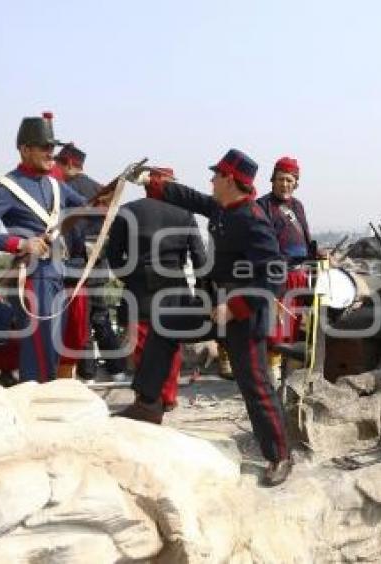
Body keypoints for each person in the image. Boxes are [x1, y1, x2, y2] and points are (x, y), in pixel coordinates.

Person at [116, 148, 292, 487]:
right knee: (165, 325)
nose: (210, 180)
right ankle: (149, 404)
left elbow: (275, 277)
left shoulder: (253, 219)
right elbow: (191, 198)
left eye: (216, 175)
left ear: (230, 180)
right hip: (214, 305)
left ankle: (279, 456)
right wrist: (151, 182)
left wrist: (237, 306)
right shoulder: (224, 208)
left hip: (242, 314)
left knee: (255, 386)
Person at [0, 114, 88, 382]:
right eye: (44, 147)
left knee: (53, 347)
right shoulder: (6, 186)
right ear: (25, 149)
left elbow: (90, 207)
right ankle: (35, 402)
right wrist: (20, 243)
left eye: (52, 148)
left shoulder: (56, 185)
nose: (51, 154)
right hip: (33, 276)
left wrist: (116, 191)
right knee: (38, 349)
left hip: (58, 273)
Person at [106, 168, 206, 411]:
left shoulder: (128, 211)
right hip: (175, 290)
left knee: (141, 347)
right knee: (171, 347)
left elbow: (113, 256)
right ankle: (168, 397)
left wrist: (130, 276)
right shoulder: (185, 213)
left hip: (138, 288)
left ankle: (145, 400)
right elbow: (200, 259)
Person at [54, 143, 124, 379]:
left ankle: (87, 371)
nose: (55, 167)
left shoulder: (62, 189)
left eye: (59, 163)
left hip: (74, 265)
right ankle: (117, 369)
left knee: (80, 320)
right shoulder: (100, 189)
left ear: (70, 164)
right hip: (98, 263)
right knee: (100, 316)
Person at [256, 156, 313, 385]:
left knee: (293, 328)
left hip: (299, 275)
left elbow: (305, 239)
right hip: (276, 276)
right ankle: (271, 379)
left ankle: (287, 379)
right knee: (276, 329)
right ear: (273, 180)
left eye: (290, 180)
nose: (285, 184)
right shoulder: (262, 206)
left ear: (296, 182)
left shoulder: (297, 206)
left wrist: (316, 253)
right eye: (281, 179)